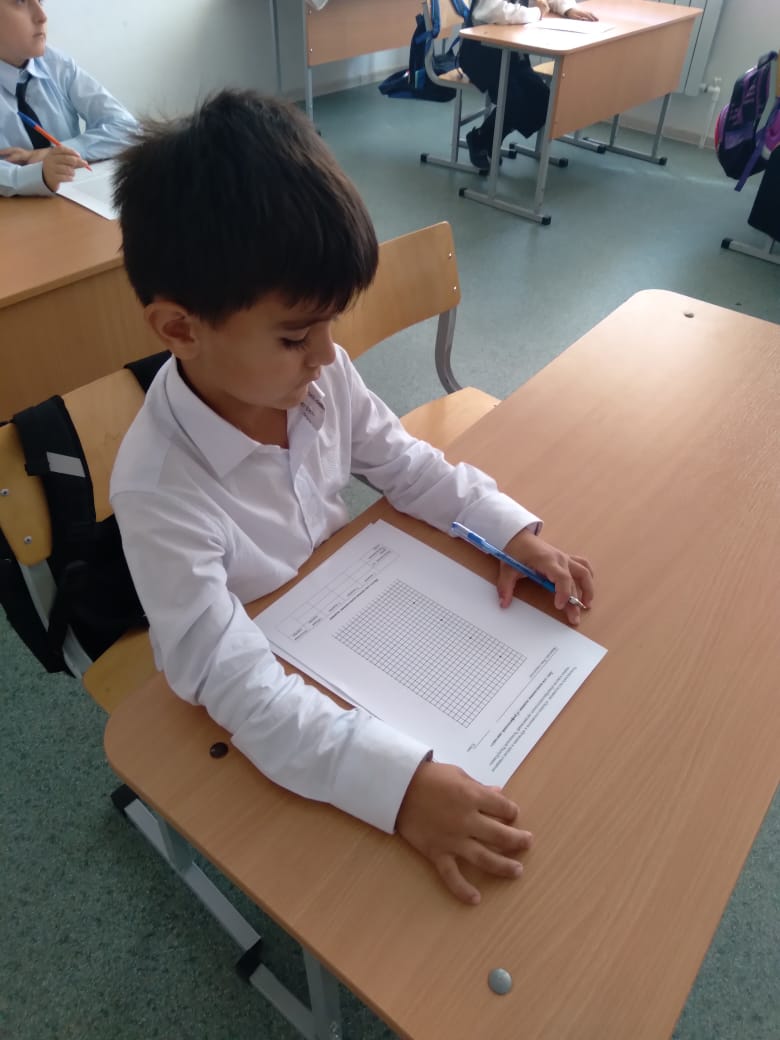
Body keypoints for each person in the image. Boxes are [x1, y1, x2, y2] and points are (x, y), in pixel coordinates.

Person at [110, 90, 595, 905]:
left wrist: (506, 532)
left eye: (332, 324)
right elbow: (232, 680)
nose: (328, 355)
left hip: (349, 621)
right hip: (269, 690)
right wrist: (397, 789)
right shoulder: (158, 488)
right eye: (296, 335)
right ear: (181, 330)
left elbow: (405, 465)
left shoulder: (316, 374)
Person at [0, 0, 138, 197]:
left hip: (72, 199)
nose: (42, 16)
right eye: (21, 1)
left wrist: (56, 153)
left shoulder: (56, 64)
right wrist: (37, 175)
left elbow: (127, 128)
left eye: (40, 1)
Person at [460, 0, 598, 171]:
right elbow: (493, 11)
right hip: (482, 56)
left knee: (542, 99)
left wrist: (567, 8)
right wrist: (536, 13)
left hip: (513, 55)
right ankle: (483, 140)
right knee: (515, 99)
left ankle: (487, 138)